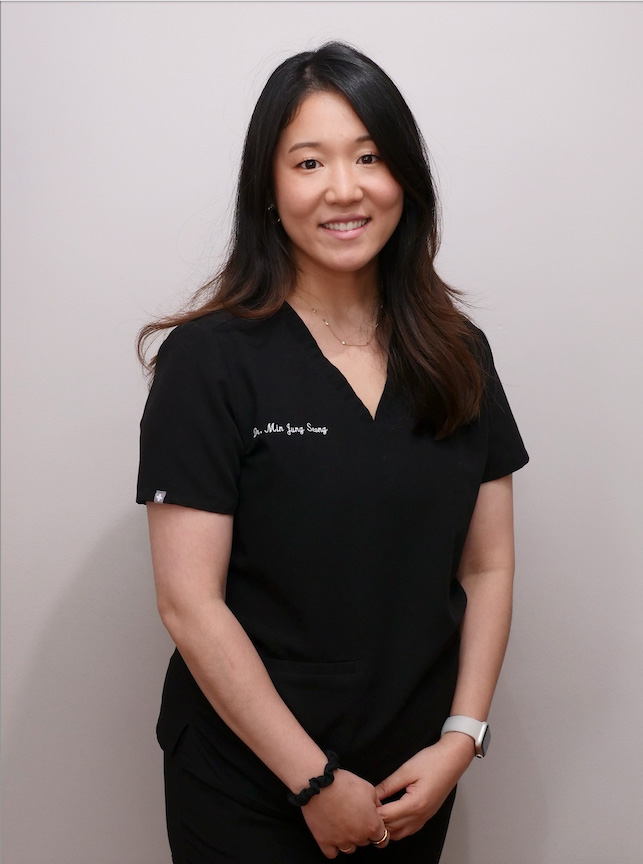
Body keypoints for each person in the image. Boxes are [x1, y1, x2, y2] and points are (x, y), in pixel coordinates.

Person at [136, 42, 529, 864]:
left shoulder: (459, 354)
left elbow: (485, 566)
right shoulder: (210, 361)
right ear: (269, 189)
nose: (343, 189)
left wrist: (461, 739)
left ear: (404, 181)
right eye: (308, 162)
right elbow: (189, 603)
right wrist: (313, 782)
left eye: (369, 157)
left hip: (411, 778)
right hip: (248, 783)